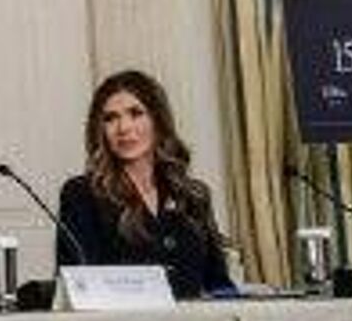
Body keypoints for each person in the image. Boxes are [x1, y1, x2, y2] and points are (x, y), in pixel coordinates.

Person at [58, 69, 233, 299]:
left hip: (195, 320)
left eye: (136, 113)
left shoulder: (193, 195)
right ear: (100, 130)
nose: (123, 128)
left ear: (157, 120)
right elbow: (80, 286)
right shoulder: (81, 194)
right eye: (110, 118)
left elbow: (219, 284)